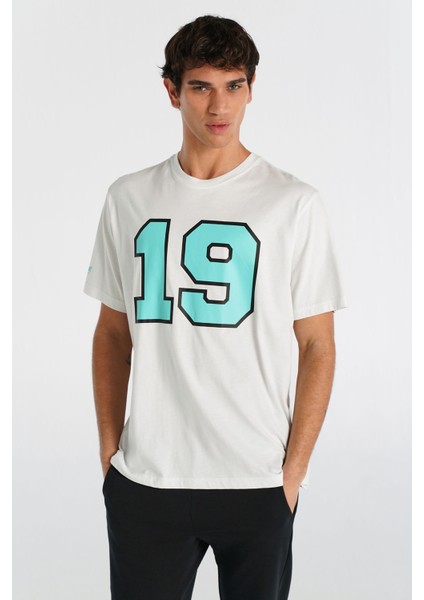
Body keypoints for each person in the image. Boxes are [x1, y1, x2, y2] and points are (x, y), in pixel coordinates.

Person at [84, 14, 348, 600]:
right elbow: (111, 334)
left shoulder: (293, 203)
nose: (219, 105)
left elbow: (317, 345)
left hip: (257, 478)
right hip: (148, 479)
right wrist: (110, 452)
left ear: (251, 88)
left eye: (234, 85)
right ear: (172, 91)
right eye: (201, 86)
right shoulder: (128, 198)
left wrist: (292, 475)